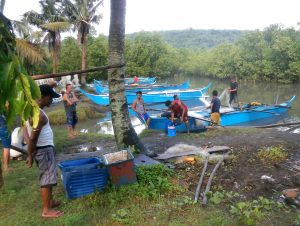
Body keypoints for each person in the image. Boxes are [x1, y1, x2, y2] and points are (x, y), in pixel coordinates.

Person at [24, 84, 63, 218]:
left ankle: (50, 202)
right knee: (46, 180)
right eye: (51, 98)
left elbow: (24, 127)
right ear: (44, 97)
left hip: (43, 149)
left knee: (49, 177)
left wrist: (30, 147)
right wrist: (29, 153)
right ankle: (46, 210)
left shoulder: (30, 109)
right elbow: (33, 137)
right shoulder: (39, 115)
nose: (52, 100)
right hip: (44, 150)